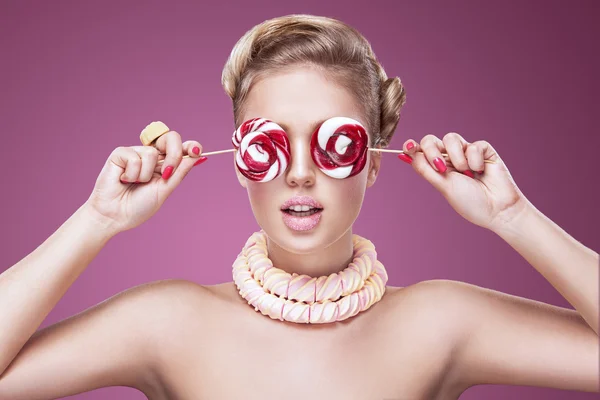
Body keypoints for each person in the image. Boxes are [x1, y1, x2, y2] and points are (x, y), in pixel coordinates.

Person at [0, 14, 597, 400]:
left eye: (333, 141)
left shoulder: (441, 323)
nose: (302, 171)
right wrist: (97, 221)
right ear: (241, 160)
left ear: (373, 159)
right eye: (271, 142)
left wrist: (512, 215)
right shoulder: (167, 322)